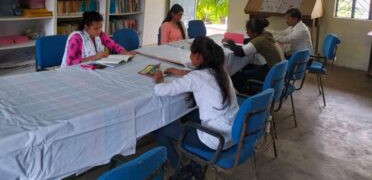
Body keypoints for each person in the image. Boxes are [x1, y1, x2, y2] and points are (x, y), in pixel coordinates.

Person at [153, 36, 239, 176]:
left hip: (215, 139)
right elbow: (202, 77)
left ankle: (179, 169)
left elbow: (162, 91)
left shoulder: (197, 77)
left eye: (192, 52)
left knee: (159, 128)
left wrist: (158, 80)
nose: (190, 55)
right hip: (232, 133)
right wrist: (182, 72)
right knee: (188, 115)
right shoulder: (220, 69)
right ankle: (196, 165)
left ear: (199, 56)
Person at [223, 18, 284, 93]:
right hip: (277, 69)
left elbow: (241, 53)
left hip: (271, 72)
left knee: (237, 76)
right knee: (246, 68)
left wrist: (230, 43)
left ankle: (245, 95)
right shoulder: (265, 34)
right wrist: (234, 40)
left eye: (248, 32)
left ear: (255, 33)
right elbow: (249, 40)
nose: (247, 33)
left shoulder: (259, 40)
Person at [61, 11, 135, 66]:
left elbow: (114, 45)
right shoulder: (76, 38)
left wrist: (124, 52)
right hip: (73, 73)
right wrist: (94, 57)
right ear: (86, 27)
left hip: (91, 69)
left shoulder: (100, 35)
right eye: (96, 28)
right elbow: (69, 63)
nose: (99, 31)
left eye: (100, 27)